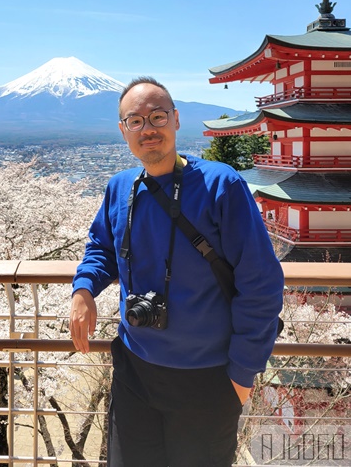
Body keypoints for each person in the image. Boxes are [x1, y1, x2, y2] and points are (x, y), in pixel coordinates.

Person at [69, 77, 284, 467]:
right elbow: (101, 248)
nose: (148, 129)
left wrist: (241, 375)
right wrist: (83, 291)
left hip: (209, 378)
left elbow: (262, 282)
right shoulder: (120, 188)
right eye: (135, 121)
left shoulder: (221, 185)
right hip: (134, 372)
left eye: (157, 116)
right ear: (123, 131)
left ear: (176, 120)